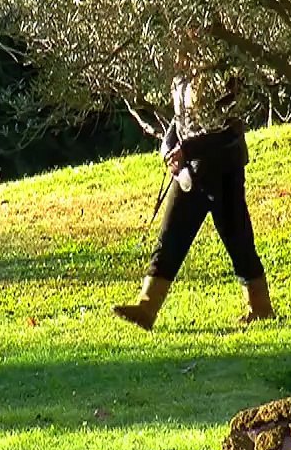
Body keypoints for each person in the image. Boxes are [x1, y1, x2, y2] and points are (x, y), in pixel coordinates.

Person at [113, 61, 274, 330]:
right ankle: (146, 307)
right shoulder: (182, 74)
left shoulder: (224, 69)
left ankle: (260, 307)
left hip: (224, 171)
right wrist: (168, 149)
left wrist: (187, 149)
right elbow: (179, 121)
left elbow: (229, 130)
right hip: (190, 173)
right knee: (170, 238)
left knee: (238, 241)